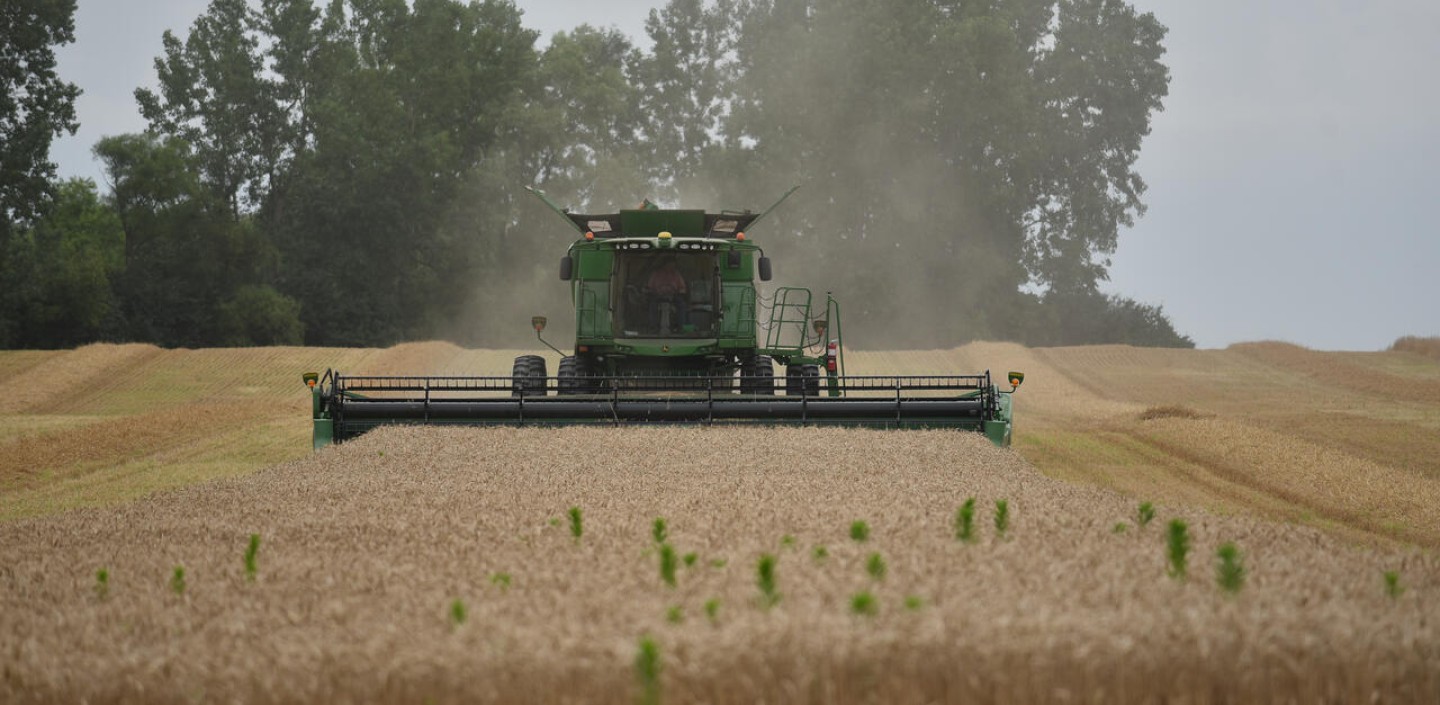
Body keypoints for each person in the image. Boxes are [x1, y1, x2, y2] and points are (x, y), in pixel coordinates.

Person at [645, 258, 689, 332]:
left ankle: (680, 326)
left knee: (682, 305)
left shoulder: (676, 274)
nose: (671, 267)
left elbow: (683, 287)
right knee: (652, 305)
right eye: (669, 265)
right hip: (658, 295)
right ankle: (653, 327)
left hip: (673, 296)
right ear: (664, 265)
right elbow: (649, 287)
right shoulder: (656, 274)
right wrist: (652, 291)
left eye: (673, 265)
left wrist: (679, 291)